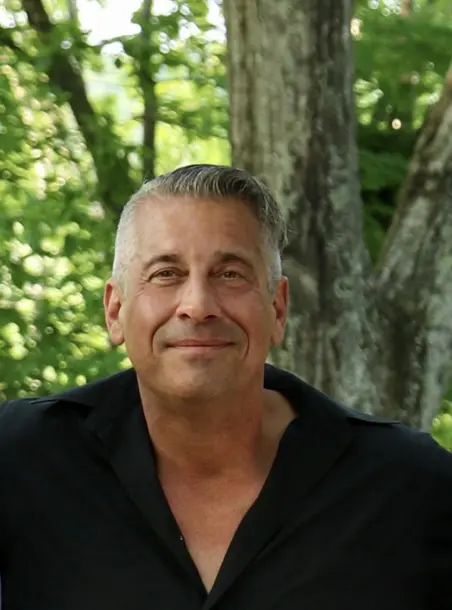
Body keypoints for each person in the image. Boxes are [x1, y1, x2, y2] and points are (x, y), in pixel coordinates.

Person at [0, 164, 451, 610]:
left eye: (230, 274)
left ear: (277, 309)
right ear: (116, 311)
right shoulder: (21, 459)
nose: (197, 306)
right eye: (166, 273)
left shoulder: (410, 487)